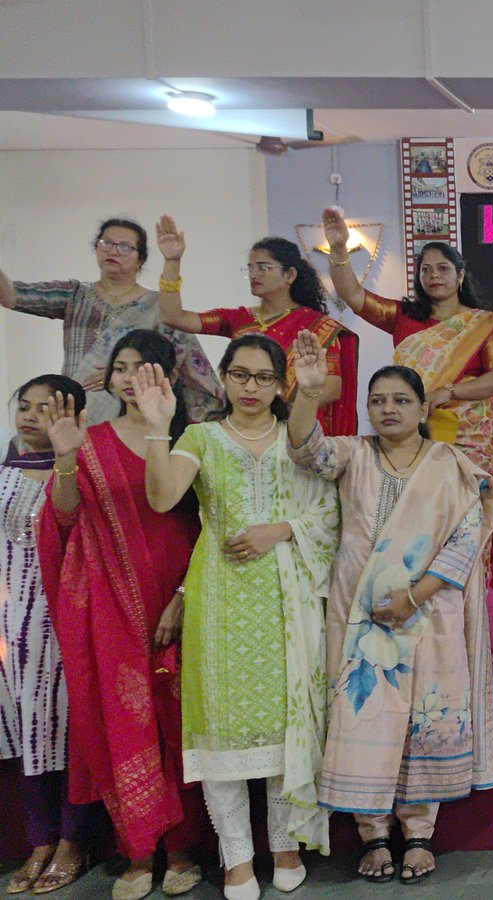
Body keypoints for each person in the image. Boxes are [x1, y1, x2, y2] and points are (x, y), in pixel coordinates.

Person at [285, 340, 493, 887]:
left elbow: (467, 537)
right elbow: (305, 450)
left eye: (401, 400)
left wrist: (414, 595)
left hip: (429, 610)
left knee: (424, 714)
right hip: (360, 614)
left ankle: (418, 833)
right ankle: (373, 834)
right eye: (377, 400)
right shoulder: (353, 454)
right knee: (363, 711)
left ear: (422, 408)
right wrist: (308, 393)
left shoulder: (450, 464)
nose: (388, 409)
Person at [139, 335, 339, 900]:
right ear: (223, 378)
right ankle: (237, 859)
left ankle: (285, 847)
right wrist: (157, 427)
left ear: (280, 384)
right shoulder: (201, 437)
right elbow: (162, 498)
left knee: (284, 723)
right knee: (222, 727)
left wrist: (282, 530)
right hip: (220, 597)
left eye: (263, 377)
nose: (251, 387)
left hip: (287, 596)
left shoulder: (298, 437)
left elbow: (330, 508)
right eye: (240, 375)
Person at [35, 331, 208, 899]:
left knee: (177, 721)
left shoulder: (190, 438)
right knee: (124, 721)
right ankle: (137, 852)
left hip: (182, 594)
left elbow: (211, 525)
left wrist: (183, 595)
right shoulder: (90, 441)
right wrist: (65, 458)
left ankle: (182, 849)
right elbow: (64, 521)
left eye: (143, 367)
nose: (130, 378)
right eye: (121, 368)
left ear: (168, 376)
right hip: (110, 606)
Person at [324, 210, 493, 588]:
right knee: (413, 520)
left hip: (468, 439)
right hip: (412, 438)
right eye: (426, 270)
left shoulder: (483, 324)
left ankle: (464, 601)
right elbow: (353, 296)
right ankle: (409, 593)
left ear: (460, 276)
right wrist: (338, 250)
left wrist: (449, 392)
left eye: (442, 268)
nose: (433, 276)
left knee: (463, 520)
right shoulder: (403, 317)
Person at [0, 375, 95, 895]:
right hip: (11, 625)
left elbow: (72, 522)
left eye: (46, 408)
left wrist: (66, 458)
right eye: (25, 406)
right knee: (26, 728)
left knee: (68, 729)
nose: (31, 416)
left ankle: (73, 841)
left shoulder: (82, 471)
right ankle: (40, 840)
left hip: (67, 617)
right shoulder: (3, 473)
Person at [0, 216, 223, 425]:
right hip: (72, 411)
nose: (113, 251)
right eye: (105, 243)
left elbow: (174, 364)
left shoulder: (158, 306)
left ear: (140, 259)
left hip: (133, 416)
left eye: (125, 247)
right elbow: (11, 297)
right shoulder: (74, 294)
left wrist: (117, 372)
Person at [156, 217, 359, 436]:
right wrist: (172, 262)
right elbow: (173, 316)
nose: (254, 274)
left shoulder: (317, 326)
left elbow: (332, 388)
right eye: (250, 268)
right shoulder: (239, 318)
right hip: (245, 426)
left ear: (289, 275)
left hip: (296, 429)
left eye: (263, 267)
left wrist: (279, 411)